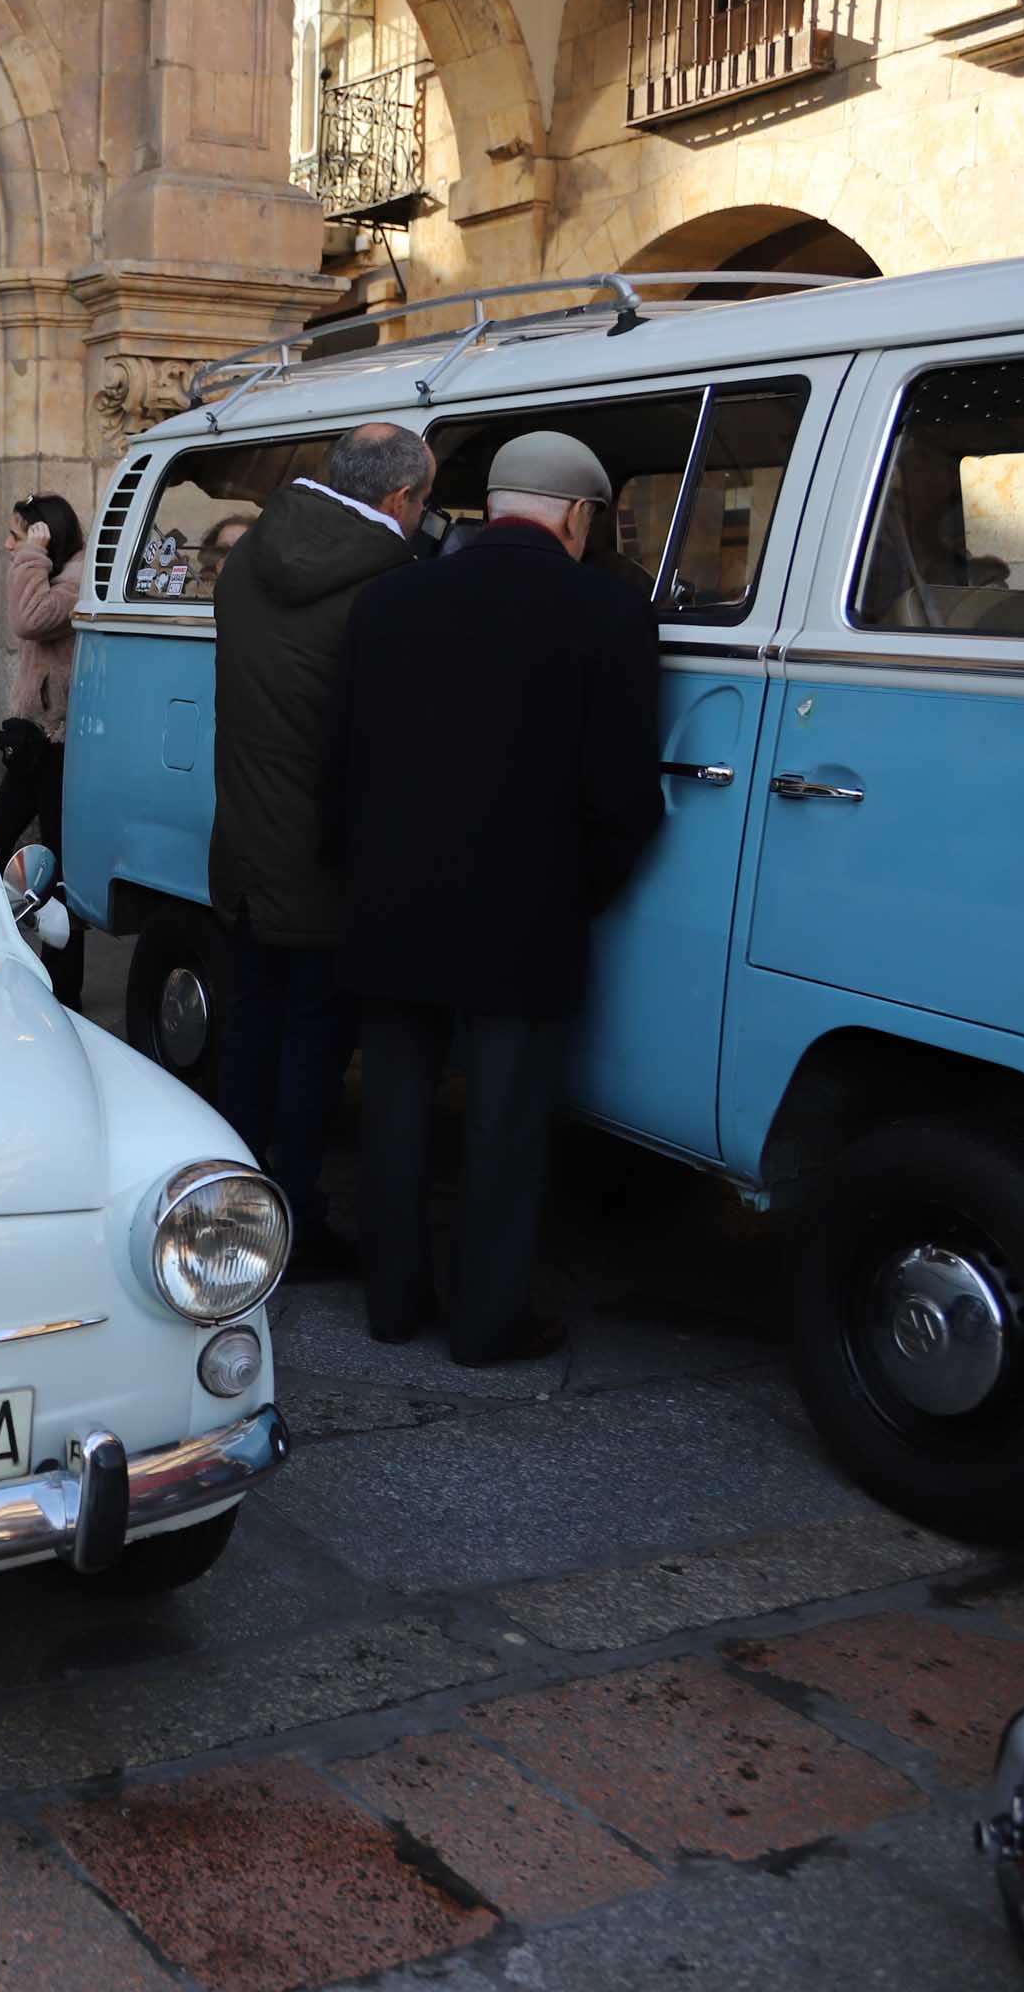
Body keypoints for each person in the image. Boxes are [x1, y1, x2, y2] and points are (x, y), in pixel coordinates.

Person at [332, 429, 662, 1366]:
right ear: (577, 516)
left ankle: (392, 1307)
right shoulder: (608, 609)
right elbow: (626, 796)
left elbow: (340, 767)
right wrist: (577, 888)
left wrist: (359, 872)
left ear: (494, 506)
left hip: (392, 910)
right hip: (526, 917)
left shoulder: (388, 600)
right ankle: (488, 1324)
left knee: (394, 1121)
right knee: (505, 1132)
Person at [204, 424, 432, 1279]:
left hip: (245, 849)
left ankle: (228, 1205)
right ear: (402, 500)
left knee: (247, 1036)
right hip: (325, 860)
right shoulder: (392, 584)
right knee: (312, 1052)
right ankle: (292, 1218)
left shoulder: (253, 552)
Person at [0, 493, 86, 1010]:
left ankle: (63, 985)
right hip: (36, 739)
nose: (10, 545)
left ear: (45, 533)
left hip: (62, 745)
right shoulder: (52, 574)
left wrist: (32, 555)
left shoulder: (75, 579)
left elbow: (29, 619)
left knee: (59, 866)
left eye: (18, 534)